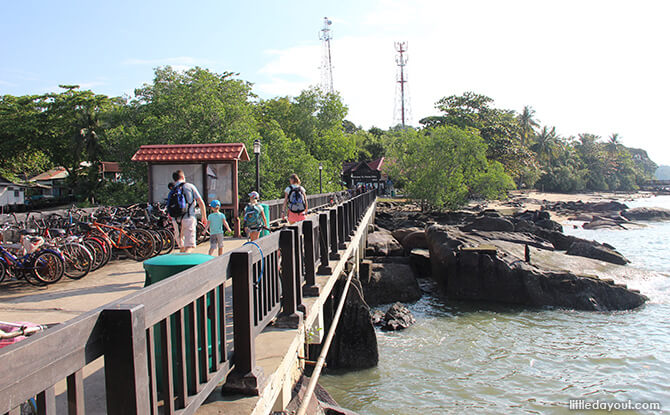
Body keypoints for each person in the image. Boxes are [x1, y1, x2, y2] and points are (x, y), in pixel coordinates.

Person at [167, 170, 207, 253]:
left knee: (181, 246)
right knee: (189, 246)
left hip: (176, 219)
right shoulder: (189, 186)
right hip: (189, 217)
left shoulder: (173, 189)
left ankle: (180, 263)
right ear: (182, 177)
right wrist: (204, 216)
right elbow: (200, 202)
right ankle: (186, 265)